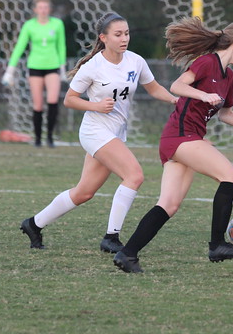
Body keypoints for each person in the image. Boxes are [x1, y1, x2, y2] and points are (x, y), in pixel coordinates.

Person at [113, 17, 233, 273]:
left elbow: (226, 114)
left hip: (186, 138)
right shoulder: (207, 62)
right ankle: (217, 245)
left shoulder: (228, 76)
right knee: (230, 176)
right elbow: (177, 85)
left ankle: (127, 254)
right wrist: (203, 94)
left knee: (169, 205)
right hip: (180, 136)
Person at [19, 12, 177, 251]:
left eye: (126, 33)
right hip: (95, 131)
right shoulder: (93, 67)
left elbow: (154, 89)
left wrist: (176, 100)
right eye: (118, 34)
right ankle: (111, 238)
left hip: (114, 134)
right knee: (134, 176)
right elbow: (69, 100)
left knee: (84, 192)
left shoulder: (135, 61)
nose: (124, 38)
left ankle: (33, 224)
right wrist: (95, 106)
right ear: (103, 38)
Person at [2, 0, 67, 148]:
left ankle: (50, 137)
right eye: (40, 7)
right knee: (38, 105)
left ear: (49, 9)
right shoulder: (29, 26)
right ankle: (38, 139)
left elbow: (61, 46)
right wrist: (10, 71)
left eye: (46, 7)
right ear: (35, 9)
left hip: (53, 67)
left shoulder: (57, 24)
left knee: (53, 101)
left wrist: (63, 69)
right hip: (35, 67)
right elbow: (19, 47)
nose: (43, 10)